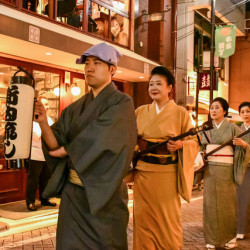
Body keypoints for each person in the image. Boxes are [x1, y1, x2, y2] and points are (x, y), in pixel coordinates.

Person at [34, 43, 137, 249]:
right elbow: (56, 142)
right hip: (74, 194)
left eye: (97, 63)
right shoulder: (76, 107)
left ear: (112, 69)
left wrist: (68, 149)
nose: (89, 68)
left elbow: (102, 136)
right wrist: (44, 122)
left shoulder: (122, 103)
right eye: (87, 63)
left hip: (104, 196)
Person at [133, 66, 199, 250]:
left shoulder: (180, 113)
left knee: (167, 220)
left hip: (167, 174)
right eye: (151, 84)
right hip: (143, 174)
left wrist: (181, 145)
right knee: (143, 218)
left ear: (170, 87)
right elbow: (128, 139)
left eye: (158, 84)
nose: (153, 87)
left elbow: (194, 141)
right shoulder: (140, 112)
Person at [201, 97, 249, 249]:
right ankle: (211, 239)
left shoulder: (233, 128)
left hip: (227, 170)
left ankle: (230, 238)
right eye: (211, 108)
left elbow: (244, 146)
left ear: (224, 111)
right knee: (209, 204)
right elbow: (199, 147)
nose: (213, 111)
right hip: (210, 170)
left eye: (216, 107)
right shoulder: (206, 128)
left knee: (228, 205)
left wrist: (243, 144)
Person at [26, 97, 56, 211]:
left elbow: (53, 137)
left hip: (47, 155)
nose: (47, 107)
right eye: (45, 104)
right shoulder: (32, 119)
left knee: (46, 179)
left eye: (48, 104)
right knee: (33, 179)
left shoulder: (50, 119)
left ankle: (44, 199)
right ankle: (30, 202)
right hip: (35, 154)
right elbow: (39, 135)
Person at [235, 102, 250, 240]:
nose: (245, 114)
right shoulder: (237, 129)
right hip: (244, 169)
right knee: (242, 199)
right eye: (243, 112)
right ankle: (241, 229)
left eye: (248, 111)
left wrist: (245, 144)